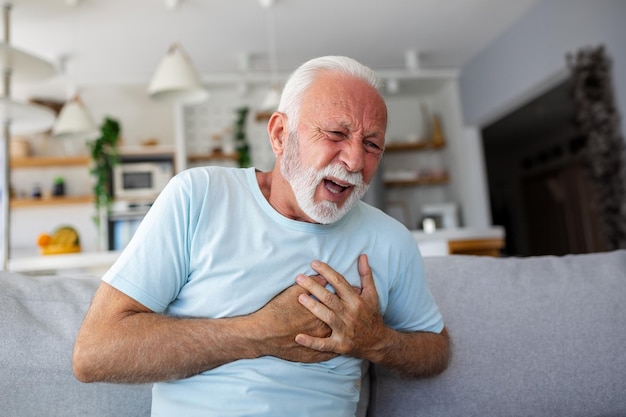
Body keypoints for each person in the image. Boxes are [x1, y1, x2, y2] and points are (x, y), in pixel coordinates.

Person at [73, 55, 449, 417]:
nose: (354, 161)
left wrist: (376, 341)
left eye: (371, 145)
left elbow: (436, 350)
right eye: (336, 133)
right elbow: (95, 353)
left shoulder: (390, 239)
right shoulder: (199, 195)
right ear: (280, 134)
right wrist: (260, 332)